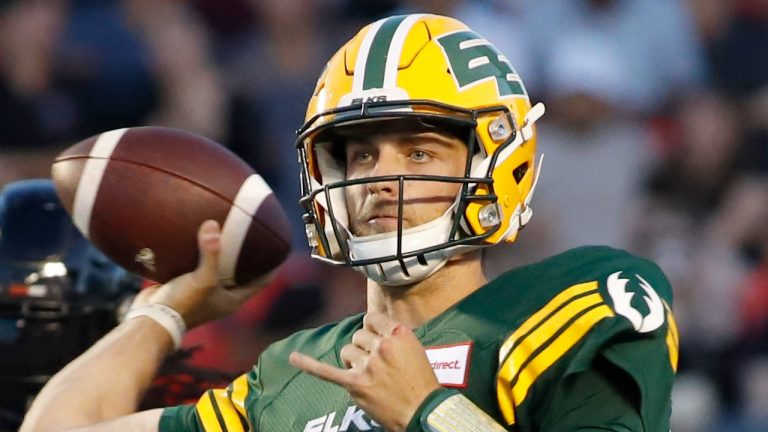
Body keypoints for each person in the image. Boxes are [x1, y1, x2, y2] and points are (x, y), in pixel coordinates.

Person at [21, 14, 678, 432]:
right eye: (359, 153)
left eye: (419, 151)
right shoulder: (293, 373)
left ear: (496, 164)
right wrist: (166, 312)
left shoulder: (571, 303)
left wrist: (429, 413)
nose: (379, 179)